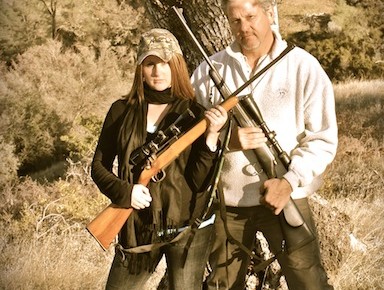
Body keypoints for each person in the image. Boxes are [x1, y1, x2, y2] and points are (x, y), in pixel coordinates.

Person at [191, 0, 338, 289]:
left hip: (286, 197)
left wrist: (290, 180)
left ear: (269, 12)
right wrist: (226, 141)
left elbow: (322, 138)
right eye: (235, 20)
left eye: (250, 16)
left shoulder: (302, 65)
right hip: (226, 204)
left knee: (308, 281)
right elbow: (191, 134)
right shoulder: (210, 69)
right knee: (222, 284)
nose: (244, 27)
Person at [91, 28, 228, 290]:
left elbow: (199, 182)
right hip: (138, 228)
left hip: (187, 228)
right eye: (150, 63)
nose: (158, 71)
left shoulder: (193, 112)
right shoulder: (121, 111)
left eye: (166, 63)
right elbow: (98, 166)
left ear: (176, 66)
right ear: (140, 69)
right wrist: (125, 192)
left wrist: (211, 136)